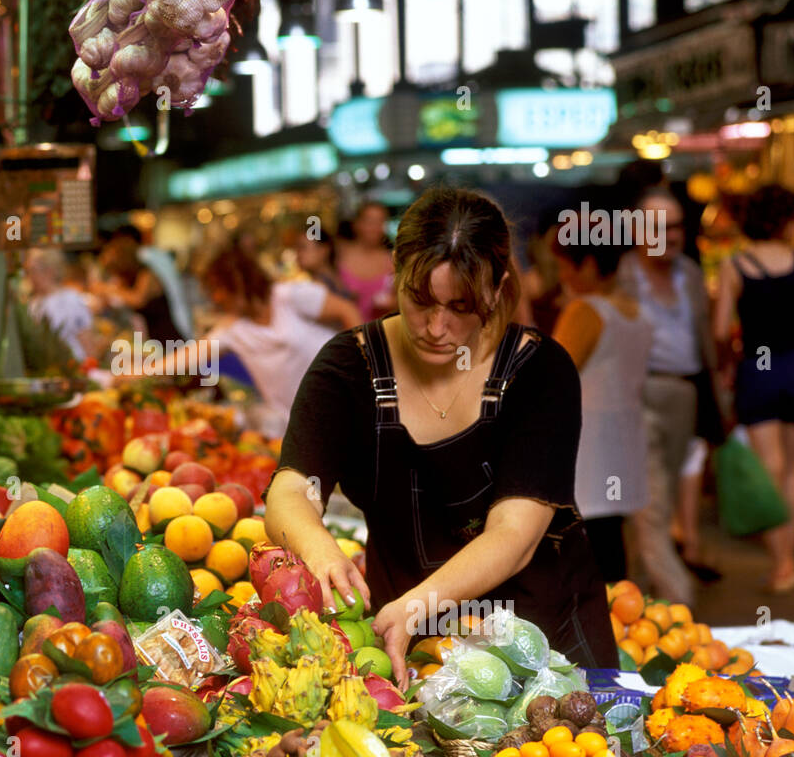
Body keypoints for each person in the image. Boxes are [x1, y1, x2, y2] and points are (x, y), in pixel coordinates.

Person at [265, 187, 619, 683]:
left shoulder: (539, 371)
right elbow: (290, 489)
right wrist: (318, 547)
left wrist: (416, 607)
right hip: (409, 645)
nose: (436, 327)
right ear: (397, 271)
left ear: (496, 289)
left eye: (461, 306)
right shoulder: (348, 367)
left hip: (543, 643)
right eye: (421, 300)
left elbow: (513, 535)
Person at [124, 245, 358, 437]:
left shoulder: (288, 296)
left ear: (238, 281)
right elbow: (185, 358)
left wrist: (358, 365)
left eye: (217, 289)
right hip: (304, 424)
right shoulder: (232, 329)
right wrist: (131, 375)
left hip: (347, 400)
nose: (215, 298)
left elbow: (347, 310)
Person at [616, 187, 723, 607]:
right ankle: (678, 603)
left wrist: (715, 397)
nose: (672, 235)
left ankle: (631, 598)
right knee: (653, 503)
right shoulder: (621, 275)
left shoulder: (690, 273)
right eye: (661, 226)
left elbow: (704, 341)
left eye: (677, 225)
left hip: (684, 393)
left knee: (650, 503)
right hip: (638, 395)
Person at [712, 184, 794, 593]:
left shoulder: (734, 265)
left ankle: (781, 564)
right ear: (787, 220)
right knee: (793, 471)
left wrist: (726, 362)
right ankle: (788, 564)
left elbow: (720, 329)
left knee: (768, 468)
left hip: (758, 367)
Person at [550, 221, 653, 582]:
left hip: (590, 444)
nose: (561, 276)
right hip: (624, 437)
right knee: (613, 540)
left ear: (589, 265)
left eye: (565, 265)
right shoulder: (636, 312)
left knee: (589, 543)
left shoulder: (586, 310)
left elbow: (552, 374)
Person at [91, 225, 185, 344]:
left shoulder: (146, 274)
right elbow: (117, 299)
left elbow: (138, 299)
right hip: (151, 338)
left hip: (168, 336)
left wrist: (107, 289)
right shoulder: (125, 279)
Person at [24, 249, 97, 360]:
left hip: (76, 368)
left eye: (33, 271)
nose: (30, 278)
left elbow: (87, 343)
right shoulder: (32, 304)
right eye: (27, 272)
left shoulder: (70, 299)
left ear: (50, 271)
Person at [337, 201, 397, 321]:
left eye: (380, 222)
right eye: (369, 221)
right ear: (356, 223)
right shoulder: (338, 253)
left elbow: (403, 301)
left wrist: (392, 303)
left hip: (378, 333)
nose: (375, 228)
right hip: (343, 334)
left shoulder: (393, 260)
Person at [294, 229, 355, 303]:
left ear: (323, 250)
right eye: (297, 248)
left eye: (303, 247)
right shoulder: (336, 278)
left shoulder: (320, 285)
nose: (298, 254)